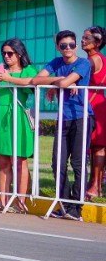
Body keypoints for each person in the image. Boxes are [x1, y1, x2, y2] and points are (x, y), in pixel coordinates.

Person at [31, 30, 92, 221]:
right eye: (64, 45)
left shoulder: (83, 63)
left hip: (81, 116)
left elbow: (66, 82)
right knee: (58, 162)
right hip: (63, 118)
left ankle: (77, 207)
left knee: (78, 163)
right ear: (58, 47)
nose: (68, 48)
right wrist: (57, 81)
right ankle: (64, 204)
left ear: (76, 46)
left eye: (71, 45)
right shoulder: (56, 62)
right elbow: (36, 80)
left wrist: (61, 83)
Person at [0, 38, 38, 214]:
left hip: (19, 116)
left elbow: (32, 81)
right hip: (1, 117)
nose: (6, 56)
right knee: (3, 161)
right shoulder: (0, 70)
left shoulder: (27, 70)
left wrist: (8, 78)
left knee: (20, 161)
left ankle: (21, 202)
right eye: (4, 53)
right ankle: (3, 200)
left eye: (10, 53)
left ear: (19, 54)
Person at [82, 26, 106, 200]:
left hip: (94, 104)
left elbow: (76, 73)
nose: (83, 40)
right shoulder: (96, 58)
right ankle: (94, 184)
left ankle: (95, 186)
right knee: (94, 146)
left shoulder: (93, 60)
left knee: (97, 146)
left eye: (87, 38)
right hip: (93, 103)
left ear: (98, 42)